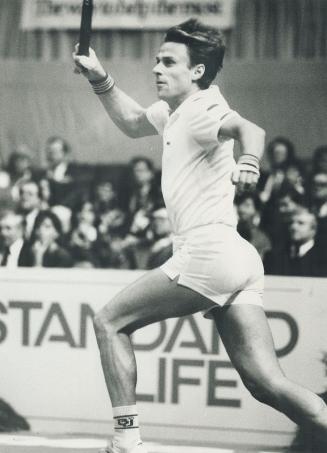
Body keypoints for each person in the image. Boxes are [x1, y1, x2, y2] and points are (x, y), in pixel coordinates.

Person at [73, 18, 327, 453]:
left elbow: (253, 131)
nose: (156, 68)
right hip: (237, 259)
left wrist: (249, 161)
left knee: (108, 322)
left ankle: (126, 441)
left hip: (207, 252)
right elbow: (134, 121)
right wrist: (100, 78)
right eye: (156, 59)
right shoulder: (174, 111)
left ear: (197, 72)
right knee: (267, 383)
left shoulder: (203, 108)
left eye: (168, 62)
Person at [264, 208, 327, 277]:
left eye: (301, 223)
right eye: (291, 223)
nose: (293, 227)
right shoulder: (273, 256)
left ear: (313, 229)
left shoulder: (323, 258)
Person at [235, 192, 271, 259]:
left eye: (247, 205)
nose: (241, 209)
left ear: (256, 210)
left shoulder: (262, 238)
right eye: (240, 204)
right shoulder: (232, 231)